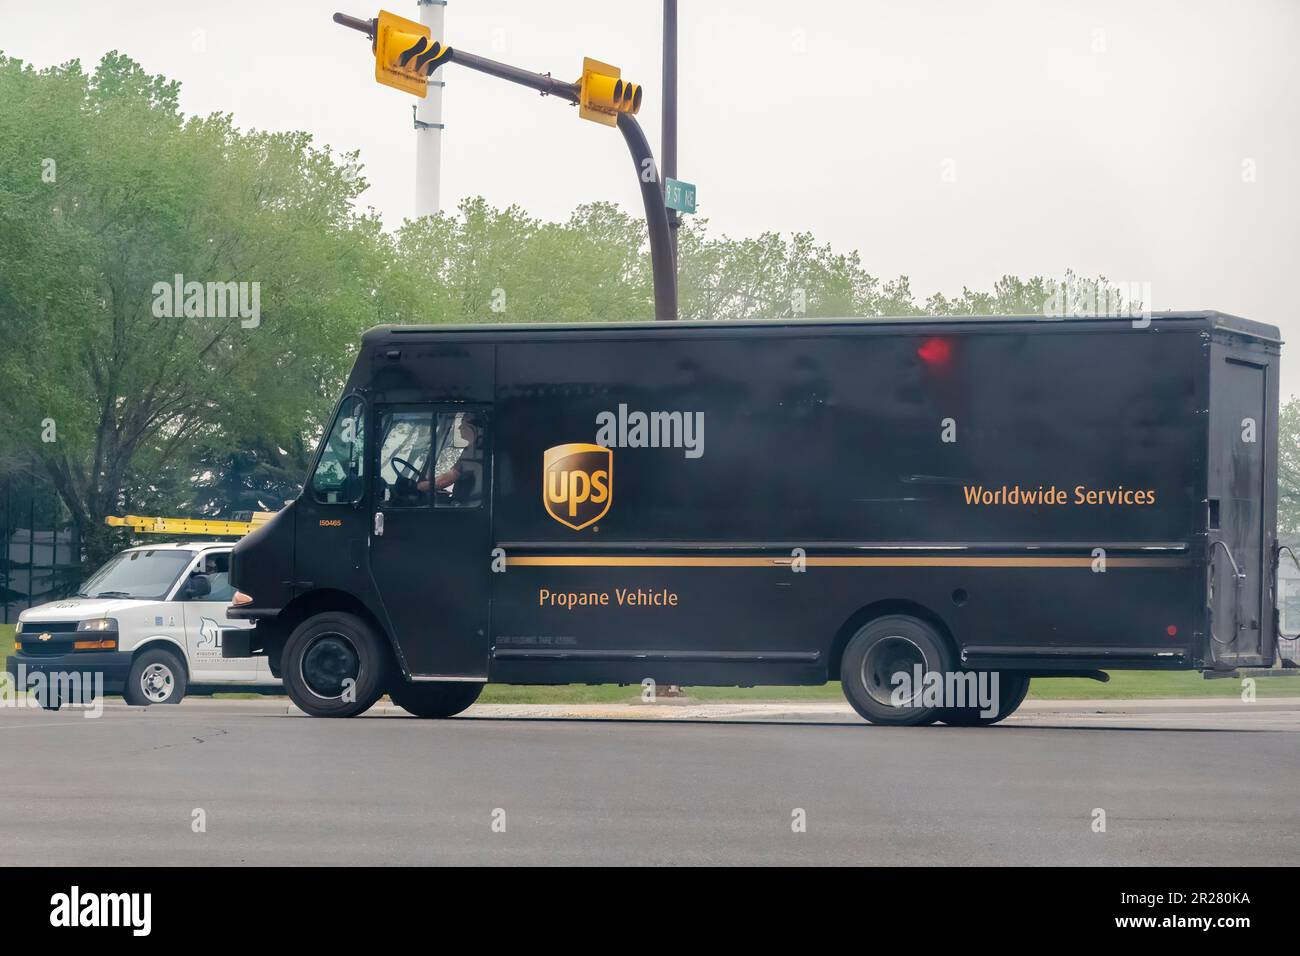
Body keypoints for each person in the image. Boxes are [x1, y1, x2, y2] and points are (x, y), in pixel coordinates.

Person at [417, 413, 481, 500]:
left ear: (475, 430)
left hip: (471, 504)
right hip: (471, 502)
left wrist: (419, 486)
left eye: (464, 426)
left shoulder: (473, 455)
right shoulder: (473, 452)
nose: (459, 429)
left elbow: (444, 481)